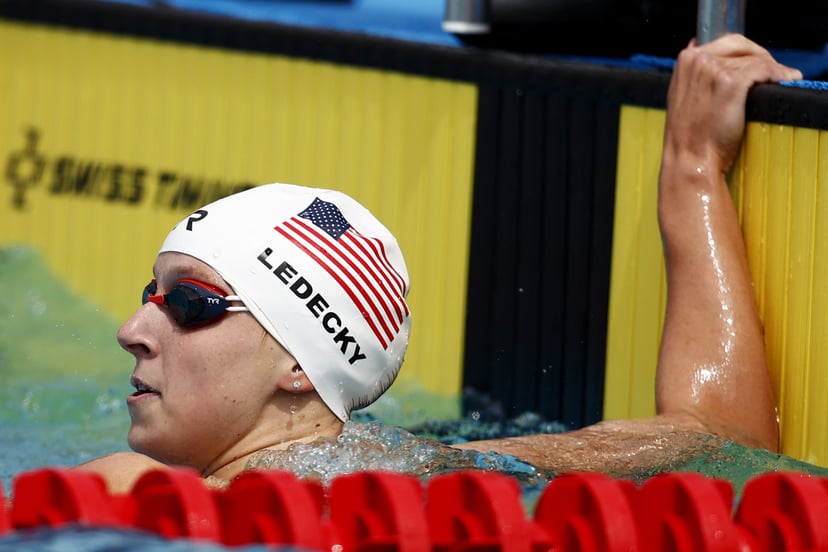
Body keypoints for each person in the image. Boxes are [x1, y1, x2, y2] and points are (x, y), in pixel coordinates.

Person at [76, 33, 802, 493]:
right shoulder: (440, 471)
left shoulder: (132, 490)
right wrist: (693, 167)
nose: (132, 328)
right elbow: (726, 443)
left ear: (300, 365)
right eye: (151, 294)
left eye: (190, 303)